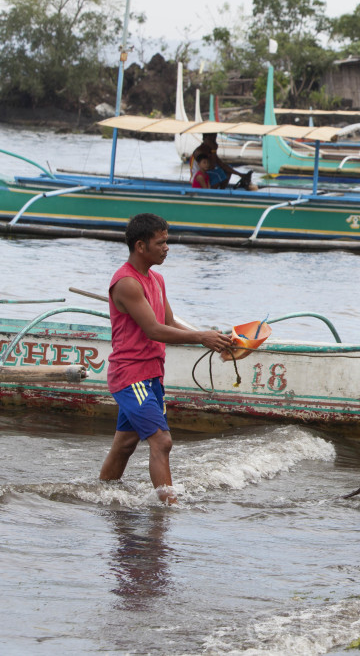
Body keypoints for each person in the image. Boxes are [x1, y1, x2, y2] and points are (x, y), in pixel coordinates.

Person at [99, 213, 233, 504]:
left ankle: (102, 494)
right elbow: (154, 330)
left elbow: (169, 322)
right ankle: (168, 509)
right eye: (160, 243)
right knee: (162, 441)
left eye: (167, 241)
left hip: (151, 374)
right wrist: (201, 337)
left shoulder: (156, 279)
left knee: (125, 444)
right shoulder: (126, 283)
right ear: (140, 246)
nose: (167, 247)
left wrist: (215, 341)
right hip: (130, 376)